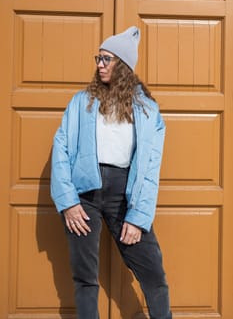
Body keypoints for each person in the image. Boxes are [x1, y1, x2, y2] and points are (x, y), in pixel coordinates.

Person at [51, 26, 172, 319]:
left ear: (124, 66)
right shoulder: (82, 102)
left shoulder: (147, 111)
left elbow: (149, 168)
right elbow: (61, 148)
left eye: (107, 59)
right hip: (84, 195)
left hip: (125, 195)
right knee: (85, 276)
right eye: (98, 58)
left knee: (153, 274)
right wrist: (68, 201)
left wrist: (138, 217)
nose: (99, 64)